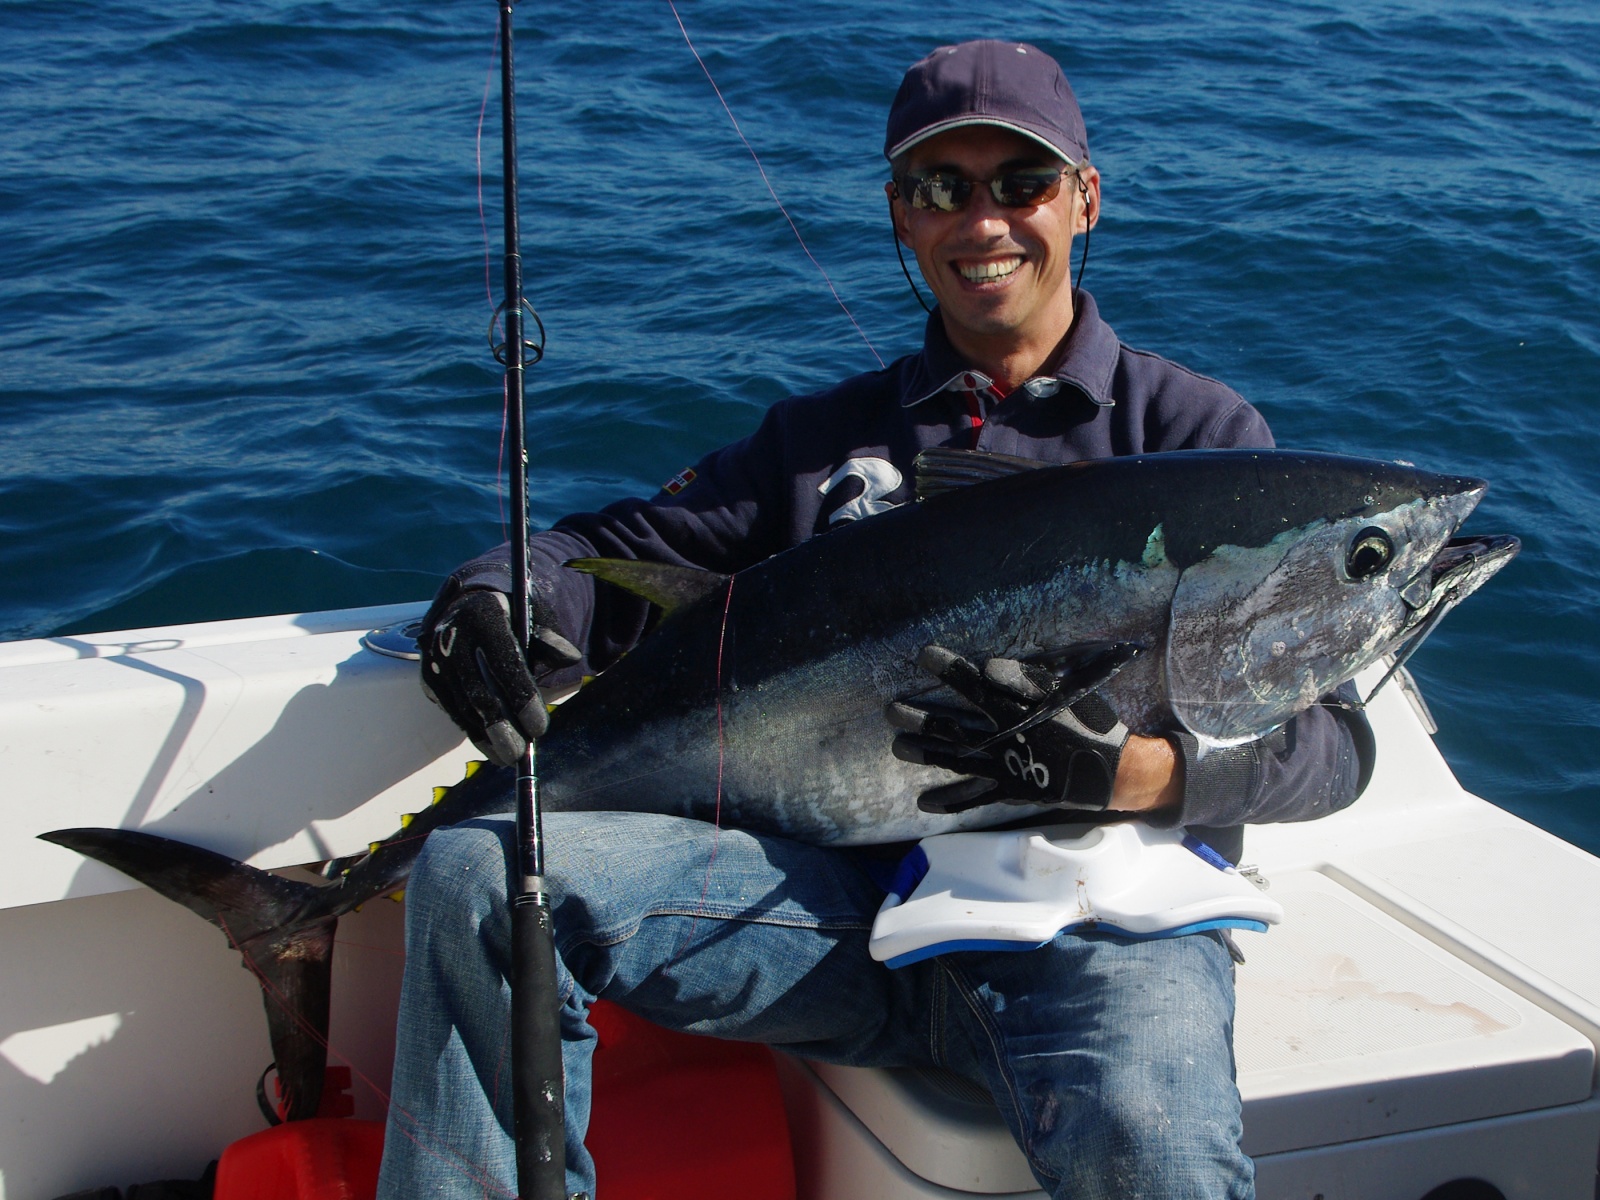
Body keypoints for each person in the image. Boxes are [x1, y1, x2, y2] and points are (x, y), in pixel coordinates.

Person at [377, 40, 1374, 1200]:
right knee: (475, 873)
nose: (983, 220)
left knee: (1155, 1140)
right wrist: (494, 597)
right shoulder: (814, 447)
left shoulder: (1195, 442)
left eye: (1021, 183)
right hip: (828, 915)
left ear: (1084, 198)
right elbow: (609, 560)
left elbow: (1331, 747)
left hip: (1104, 939)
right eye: (941, 188)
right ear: (901, 216)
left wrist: (1128, 777)